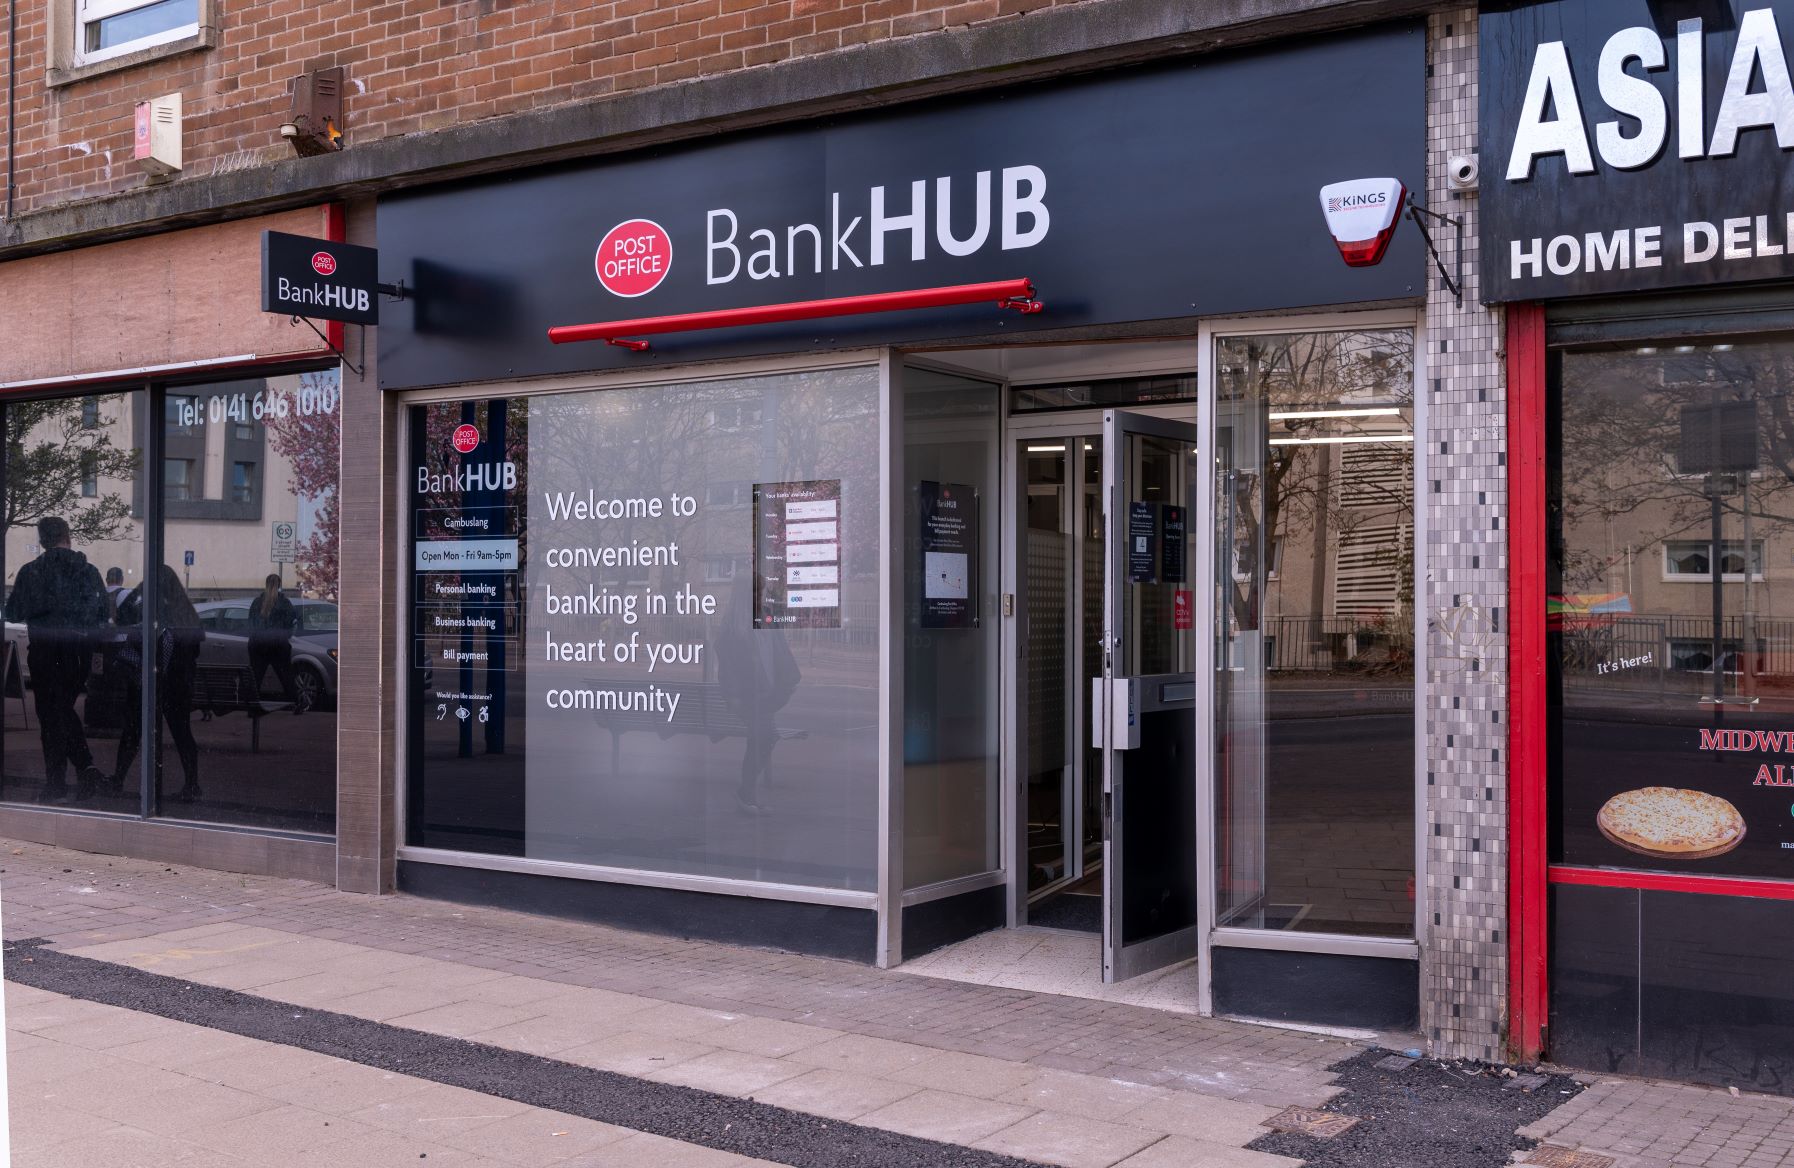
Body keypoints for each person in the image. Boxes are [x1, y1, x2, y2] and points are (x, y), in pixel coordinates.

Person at [3, 517, 109, 803]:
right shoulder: (87, 571)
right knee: (61, 711)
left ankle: (60, 782)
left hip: (46, 650)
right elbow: (102, 613)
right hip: (77, 650)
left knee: (52, 715)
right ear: (67, 536)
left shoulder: (32, 572)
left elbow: (12, 612)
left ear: (42, 540)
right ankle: (83, 772)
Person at [111, 565, 203, 802]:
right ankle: (192, 783)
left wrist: (141, 588)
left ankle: (118, 779)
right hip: (176, 682)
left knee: (133, 730)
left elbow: (124, 618)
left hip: (152, 681)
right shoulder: (184, 611)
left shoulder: (154, 609)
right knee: (181, 732)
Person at [714, 573, 800, 813]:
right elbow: (729, 667)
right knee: (763, 737)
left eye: (760, 591)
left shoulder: (762, 618)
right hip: (748, 695)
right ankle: (746, 794)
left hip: (765, 692)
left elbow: (777, 650)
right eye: (755, 592)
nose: (760, 596)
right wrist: (734, 696)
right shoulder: (735, 627)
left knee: (763, 737)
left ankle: (746, 793)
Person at [247, 574, 305, 714]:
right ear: (279, 585)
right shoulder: (284, 603)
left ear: (265, 584)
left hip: (258, 645)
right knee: (286, 676)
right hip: (278, 645)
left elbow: (251, 624)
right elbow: (292, 623)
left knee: (256, 677)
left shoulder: (257, 602)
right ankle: (296, 703)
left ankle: (251, 707)